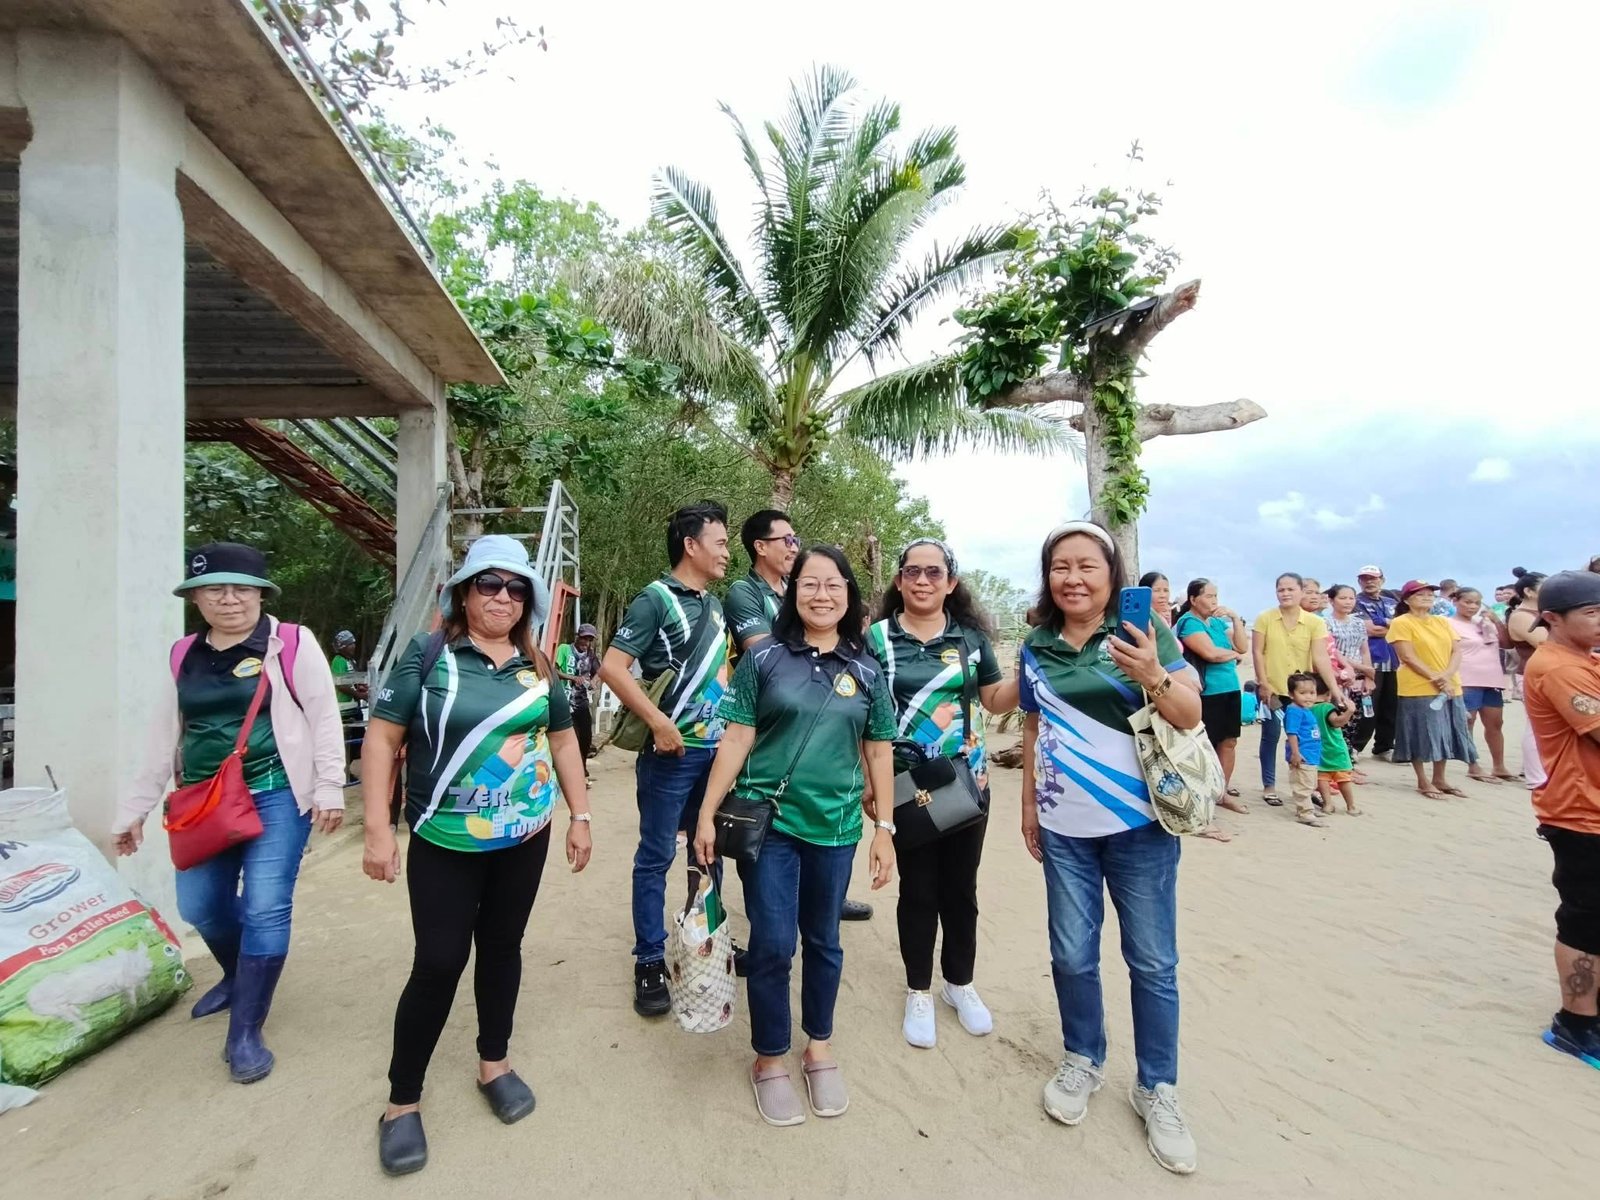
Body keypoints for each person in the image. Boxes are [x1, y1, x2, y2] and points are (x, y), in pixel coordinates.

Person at [360, 535, 592, 1176]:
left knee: (502, 948)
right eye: (489, 584)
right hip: (445, 837)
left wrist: (580, 816)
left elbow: (563, 743)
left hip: (524, 836)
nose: (503, 597)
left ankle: (495, 1063)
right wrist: (377, 829)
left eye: (516, 588)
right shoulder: (428, 654)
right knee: (438, 963)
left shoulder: (538, 666)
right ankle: (402, 1103)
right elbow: (381, 740)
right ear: (464, 592)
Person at [114, 542, 345, 1084]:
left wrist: (330, 786)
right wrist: (134, 810)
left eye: (241, 588)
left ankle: (245, 1029)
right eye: (214, 589)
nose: (229, 599)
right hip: (203, 801)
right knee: (200, 905)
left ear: (261, 594)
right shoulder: (183, 655)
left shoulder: (290, 643)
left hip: (276, 793)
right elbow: (161, 738)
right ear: (195, 598)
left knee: (265, 907)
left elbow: (323, 716)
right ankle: (237, 974)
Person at [1018, 521, 1202, 1175]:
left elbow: (1190, 714)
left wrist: (1153, 673)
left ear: (1111, 574)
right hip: (1064, 828)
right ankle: (1083, 1058)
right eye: (1060, 567)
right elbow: (1035, 726)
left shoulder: (1143, 631)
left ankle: (1158, 1087)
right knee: (1071, 954)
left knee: (1151, 962)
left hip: (1141, 827)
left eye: (1086, 566)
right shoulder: (1036, 644)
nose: (1072, 578)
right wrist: (1029, 808)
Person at [692, 545, 896, 1127]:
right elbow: (736, 738)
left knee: (825, 939)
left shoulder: (867, 670)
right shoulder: (763, 659)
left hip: (837, 827)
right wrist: (706, 814)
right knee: (774, 943)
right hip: (771, 824)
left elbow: (879, 750)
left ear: (849, 595)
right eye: (809, 583)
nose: (821, 594)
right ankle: (770, 1057)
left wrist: (884, 829)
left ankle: (819, 1048)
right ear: (792, 592)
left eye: (833, 584)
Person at [866, 538, 1019, 1049]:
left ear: (951, 582)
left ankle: (959, 983)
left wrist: (1030, 670)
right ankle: (919, 990)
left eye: (934, 572)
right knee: (918, 890)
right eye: (913, 571)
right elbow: (865, 715)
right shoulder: (878, 639)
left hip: (967, 785)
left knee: (961, 889)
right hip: (906, 788)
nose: (923, 581)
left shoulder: (970, 638)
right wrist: (869, 783)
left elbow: (994, 698)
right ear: (899, 580)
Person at [599, 502, 733, 1017]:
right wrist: (658, 722)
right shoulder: (654, 599)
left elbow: (721, 673)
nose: (727, 552)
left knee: (709, 851)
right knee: (656, 856)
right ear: (690, 545)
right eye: (720, 543)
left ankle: (707, 941)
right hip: (672, 756)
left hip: (716, 755)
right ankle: (650, 960)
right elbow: (613, 667)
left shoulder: (716, 606)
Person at [725, 508, 872, 923]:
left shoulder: (797, 589)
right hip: (772, 717)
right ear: (760, 546)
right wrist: (820, 635)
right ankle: (773, 925)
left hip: (823, 712)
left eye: (796, 540)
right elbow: (763, 651)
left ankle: (825, 897)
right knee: (769, 826)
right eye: (787, 540)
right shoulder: (745, 592)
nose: (794, 546)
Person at [1520, 570, 1600, 1067]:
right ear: (1552, 618)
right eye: (1592, 613)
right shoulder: (1557, 667)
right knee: (1586, 920)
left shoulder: (1584, 659)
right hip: (1581, 813)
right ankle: (1575, 1024)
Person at [1252, 573, 1344, 807]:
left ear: (1301, 591)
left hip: (1302, 694)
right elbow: (1257, 653)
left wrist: (1334, 689)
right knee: (1271, 736)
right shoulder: (1265, 618)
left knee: (1306, 739)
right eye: (1281, 589)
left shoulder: (1315, 622)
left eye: (1290, 589)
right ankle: (1269, 786)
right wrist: (1263, 683)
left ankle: (1306, 787)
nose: (1285, 593)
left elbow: (1320, 657)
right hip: (1272, 689)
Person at [1386, 580, 1475, 800]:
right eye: (1420, 594)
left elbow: (1456, 651)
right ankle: (1422, 780)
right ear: (1407, 600)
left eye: (1429, 594)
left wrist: (1446, 675)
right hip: (1418, 687)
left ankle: (1439, 778)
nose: (1426, 597)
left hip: (1449, 684)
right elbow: (1407, 656)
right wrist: (1436, 678)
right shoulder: (1401, 622)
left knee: (1445, 731)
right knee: (1420, 732)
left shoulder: (1442, 621)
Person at [1173, 579, 1249, 811]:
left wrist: (1235, 619)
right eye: (1208, 596)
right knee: (1205, 744)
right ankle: (1202, 794)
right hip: (1207, 692)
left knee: (1229, 741)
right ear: (1193, 599)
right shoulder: (1189, 622)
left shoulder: (1215, 622)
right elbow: (1210, 654)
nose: (1214, 601)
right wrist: (1233, 654)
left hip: (1230, 687)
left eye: (1216, 596)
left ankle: (1221, 793)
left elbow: (1242, 647)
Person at [1451, 589, 1517, 782]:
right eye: (1468, 602)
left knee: (1495, 723)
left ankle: (1499, 766)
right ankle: (1473, 765)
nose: (1472, 606)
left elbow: (1507, 644)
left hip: (1491, 678)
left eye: (1477, 603)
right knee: (1468, 723)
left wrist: (1497, 621)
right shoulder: (1447, 623)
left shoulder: (1484, 622)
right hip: (1466, 678)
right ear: (1456, 601)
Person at [1351, 566, 1399, 759]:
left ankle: (1384, 747)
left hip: (1394, 661)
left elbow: (1407, 626)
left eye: (1373, 578)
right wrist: (1393, 626)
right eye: (1365, 578)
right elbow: (1370, 630)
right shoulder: (1356, 602)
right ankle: (1355, 746)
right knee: (1367, 706)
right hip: (1370, 661)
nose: (1369, 582)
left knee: (1391, 706)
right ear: (1359, 581)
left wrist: (1385, 623)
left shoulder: (1392, 602)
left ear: (1382, 580)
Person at [1324, 585, 1375, 766]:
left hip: (1358, 678)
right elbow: (1332, 651)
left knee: (1357, 720)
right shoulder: (1325, 622)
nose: (1347, 602)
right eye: (1342, 598)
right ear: (1331, 600)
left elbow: (1364, 650)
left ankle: (1349, 758)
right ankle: (1339, 761)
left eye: (1351, 598)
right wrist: (1362, 668)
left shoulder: (1358, 623)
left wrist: (1368, 676)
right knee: (1339, 718)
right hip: (1338, 676)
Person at [1507, 570, 1550, 786]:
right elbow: (1545, 643)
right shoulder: (1522, 616)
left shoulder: (1542, 613)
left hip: (1547, 672)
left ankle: (1533, 770)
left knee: (1544, 726)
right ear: (1529, 592)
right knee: (1537, 726)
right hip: (1533, 674)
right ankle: (1536, 778)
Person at [1281, 673, 1330, 827]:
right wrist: (1296, 753)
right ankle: (1305, 813)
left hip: (1311, 754)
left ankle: (1307, 808)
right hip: (1302, 755)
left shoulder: (1305, 710)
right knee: (1302, 784)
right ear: (1291, 694)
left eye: (1312, 693)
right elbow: (1292, 733)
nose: (1308, 697)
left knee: (1309, 783)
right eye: (1302, 693)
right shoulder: (1294, 711)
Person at [555, 623, 601, 773]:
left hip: (581, 702)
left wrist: (594, 682)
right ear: (577, 637)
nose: (586, 643)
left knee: (586, 737)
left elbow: (600, 671)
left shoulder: (590, 655)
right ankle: (572, 771)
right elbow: (553, 671)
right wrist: (572, 678)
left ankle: (582, 767)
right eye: (584, 639)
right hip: (565, 701)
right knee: (572, 737)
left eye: (589, 640)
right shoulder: (564, 649)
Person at [1312, 678, 1360, 815]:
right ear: (1329, 694)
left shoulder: (1309, 709)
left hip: (1319, 749)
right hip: (1336, 748)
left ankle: (1327, 804)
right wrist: (1349, 712)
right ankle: (1351, 806)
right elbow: (1336, 722)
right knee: (1343, 778)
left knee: (1322, 777)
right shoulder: (1327, 707)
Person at [330, 629, 368, 782]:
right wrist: (358, 694)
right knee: (346, 742)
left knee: (357, 742)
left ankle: (347, 770)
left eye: (353, 643)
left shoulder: (351, 661)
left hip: (353, 707)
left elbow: (353, 680)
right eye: (350, 644)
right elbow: (340, 684)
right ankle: (344, 773)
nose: (353, 646)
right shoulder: (338, 660)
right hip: (344, 709)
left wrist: (361, 687)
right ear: (342, 646)